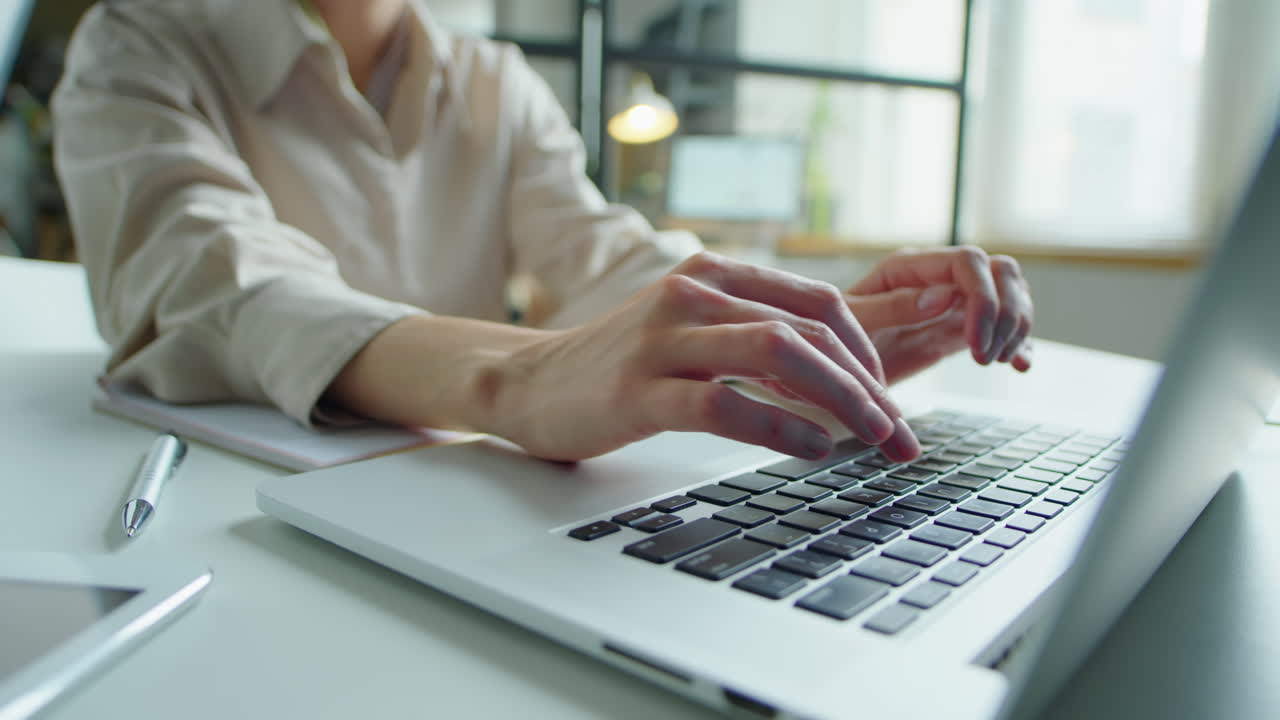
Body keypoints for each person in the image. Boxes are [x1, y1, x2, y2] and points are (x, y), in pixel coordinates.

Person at [51, 0, 1032, 465]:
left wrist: (821, 326)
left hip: (454, 501)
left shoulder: (495, 82)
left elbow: (606, 259)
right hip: (212, 518)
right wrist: (511, 379)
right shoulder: (138, 41)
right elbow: (216, 283)